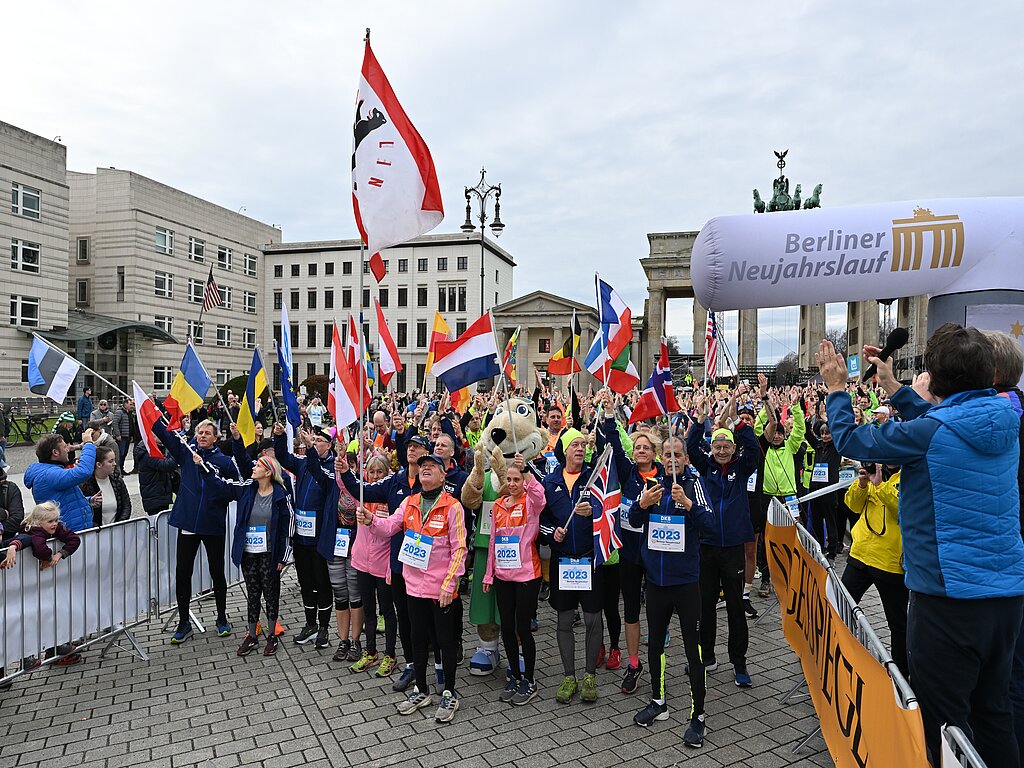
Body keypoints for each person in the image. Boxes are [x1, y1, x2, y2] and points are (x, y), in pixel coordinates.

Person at [818, 326, 1024, 768]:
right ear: (989, 374)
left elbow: (852, 441)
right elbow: (945, 421)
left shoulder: (929, 435)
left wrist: (836, 389)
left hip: (947, 602)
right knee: (994, 714)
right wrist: (893, 387)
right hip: (1005, 598)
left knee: (943, 726)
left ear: (935, 377)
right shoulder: (1007, 418)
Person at [356, 452, 468, 723]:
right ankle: (421, 689)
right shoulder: (409, 503)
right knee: (417, 638)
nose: (426, 468)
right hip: (413, 587)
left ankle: (450, 692)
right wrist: (370, 519)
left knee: (444, 641)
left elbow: (460, 549)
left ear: (444, 476)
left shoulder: (453, 506)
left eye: (433, 466)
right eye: (422, 466)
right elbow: (388, 528)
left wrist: (449, 584)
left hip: (441, 590)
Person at [627, 435, 715, 747]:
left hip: (686, 582)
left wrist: (688, 504)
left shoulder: (693, 484)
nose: (671, 459)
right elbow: (634, 520)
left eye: (677, 454)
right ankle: (658, 701)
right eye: (667, 454)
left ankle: (698, 715)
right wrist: (642, 504)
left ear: (686, 458)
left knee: (694, 649)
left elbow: (711, 525)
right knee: (655, 645)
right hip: (655, 582)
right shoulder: (653, 486)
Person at [686, 397, 759, 688]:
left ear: (733, 449)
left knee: (734, 607)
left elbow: (753, 449)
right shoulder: (706, 468)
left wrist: (737, 422)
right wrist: (698, 419)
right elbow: (691, 448)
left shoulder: (742, 468)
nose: (721, 450)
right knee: (705, 606)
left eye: (726, 446)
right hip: (707, 546)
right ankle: (707, 656)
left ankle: (739, 662)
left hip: (732, 551)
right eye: (717, 446)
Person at [151, 418, 239, 643]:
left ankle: (221, 618)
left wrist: (212, 479)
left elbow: (233, 491)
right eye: (200, 432)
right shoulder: (186, 453)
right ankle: (183, 623)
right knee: (183, 572)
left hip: (212, 524)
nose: (202, 435)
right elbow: (168, 435)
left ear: (215, 438)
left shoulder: (225, 462)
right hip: (189, 523)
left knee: (217, 571)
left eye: (207, 433)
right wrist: (151, 412)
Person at [596, 397, 658, 695]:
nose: (641, 450)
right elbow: (613, 443)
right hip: (630, 554)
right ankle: (634, 665)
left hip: (659, 554)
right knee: (631, 610)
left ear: (655, 452)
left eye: (646, 447)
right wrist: (609, 413)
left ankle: (657, 661)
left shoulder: (667, 477)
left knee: (658, 611)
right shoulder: (627, 471)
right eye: (638, 447)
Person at [539, 428, 604, 705]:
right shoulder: (549, 482)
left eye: (583, 444)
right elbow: (539, 521)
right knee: (564, 620)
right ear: (563, 450)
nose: (580, 448)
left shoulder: (595, 477)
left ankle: (589, 676)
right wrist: (552, 532)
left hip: (589, 560)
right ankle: (569, 676)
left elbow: (609, 510)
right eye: (574, 445)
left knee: (592, 619)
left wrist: (596, 512)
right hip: (562, 561)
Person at [205, 454, 292, 658]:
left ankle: (272, 635)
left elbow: (288, 527)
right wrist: (202, 467)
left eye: (258, 466)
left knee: (271, 595)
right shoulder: (247, 489)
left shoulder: (280, 495)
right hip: (249, 553)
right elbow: (221, 485)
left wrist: (282, 557)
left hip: (269, 554)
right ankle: (252, 635)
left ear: (268, 472)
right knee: (252, 594)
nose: (253, 468)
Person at [483, 453, 544, 706]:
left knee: (522, 628)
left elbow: (540, 495)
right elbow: (493, 542)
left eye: (516, 479)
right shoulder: (498, 505)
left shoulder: (531, 503)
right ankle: (515, 676)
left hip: (527, 574)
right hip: (503, 576)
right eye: (508, 479)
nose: (512, 483)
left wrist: (526, 470)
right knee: (506, 627)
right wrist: (488, 574)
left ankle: (529, 680)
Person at [273, 424, 337, 650]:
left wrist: (310, 450)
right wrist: (279, 437)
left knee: (322, 583)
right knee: (305, 583)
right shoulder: (302, 463)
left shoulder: (331, 467)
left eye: (320, 440)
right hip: (301, 536)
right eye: (314, 440)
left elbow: (319, 473)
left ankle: (324, 627)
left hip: (319, 537)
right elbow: (282, 457)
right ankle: (310, 624)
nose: (315, 442)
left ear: (329, 445)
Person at [841, 463, 907, 675]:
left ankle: (901, 675)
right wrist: (861, 484)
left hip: (889, 563)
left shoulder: (909, 474)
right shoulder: (873, 471)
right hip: (860, 555)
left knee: (898, 624)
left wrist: (878, 484)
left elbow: (902, 507)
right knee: (839, 608)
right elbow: (852, 505)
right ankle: (834, 654)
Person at [347, 454, 399, 676]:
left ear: (387, 473)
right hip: (361, 562)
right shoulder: (362, 495)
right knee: (368, 609)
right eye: (371, 472)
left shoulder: (390, 499)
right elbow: (345, 483)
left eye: (380, 472)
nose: (375, 476)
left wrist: (390, 566)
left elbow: (393, 532)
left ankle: (390, 654)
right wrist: (341, 464)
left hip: (382, 564)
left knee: (386, 611)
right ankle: (370, 651)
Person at [24, 430, 98, 532]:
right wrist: (88, 443)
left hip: (72, 533)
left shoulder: (51, 472)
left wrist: (87, 500)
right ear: (55, 452)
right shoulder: (49, 475)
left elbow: (63, 499)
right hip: (68, 537)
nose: (68, 449)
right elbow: (84, 471)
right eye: (64, 447)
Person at [80, 445, 132, 527]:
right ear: (99, 464)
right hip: (97, 533)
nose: (114, 464)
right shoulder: (85, 485)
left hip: (117, 531)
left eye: (114, 460)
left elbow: (126, 505)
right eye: (110, 461)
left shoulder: (117, 480)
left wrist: (119, 524)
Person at [134, 436, 179, 515]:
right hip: (154, 496)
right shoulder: (148, 452)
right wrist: (176, 449)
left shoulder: (158, 448)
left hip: (161, 493)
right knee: (158, 522)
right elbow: (166, 465)